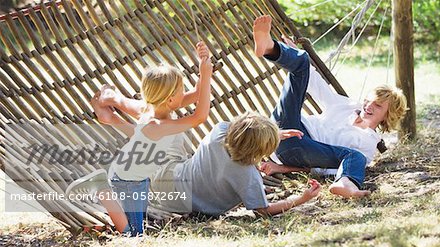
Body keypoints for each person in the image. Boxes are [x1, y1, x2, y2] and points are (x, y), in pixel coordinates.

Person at [66, 41, 212, 236]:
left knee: (137, 223)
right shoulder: (159, 125)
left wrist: (204, 65)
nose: (184, 93)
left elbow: (195, 95)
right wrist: (207, 76)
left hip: (136, 177)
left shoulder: (150, 108)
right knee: (134, 233)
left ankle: (108, 111)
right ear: (169, 99)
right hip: (128, 181)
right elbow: (200, 116)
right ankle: (101, 188)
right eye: (180, 90)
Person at [253, 15, 407, 198]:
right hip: (283, 130)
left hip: (302, 148)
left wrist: (282, 168)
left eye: (378, 106)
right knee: (302, 61)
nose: (369, 106)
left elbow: (324, 168)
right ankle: (269, 47)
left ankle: (346, 184)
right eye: (369, 100)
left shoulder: (367, 143)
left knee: (355, 157)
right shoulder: (346, 106)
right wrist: (292, 55)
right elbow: (316, 84)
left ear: (387, 116)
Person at [149, 111, 321, 217]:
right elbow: (263, 210)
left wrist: (274, 134)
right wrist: (302, 198)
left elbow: (243, 131)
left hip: (166, 178)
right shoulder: (247, 175)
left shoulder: (219, 131)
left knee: (173, 130)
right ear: (260, 151)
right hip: (177, 203)